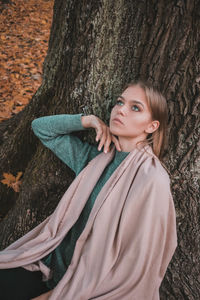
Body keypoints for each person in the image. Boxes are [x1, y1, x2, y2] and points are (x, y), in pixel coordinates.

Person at [0, 81, 177, 300]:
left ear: (151, 126)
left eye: (135, 107)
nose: (120, 109)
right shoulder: (95, 160)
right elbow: (41, 128)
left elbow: (135, 261)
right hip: (46, 267)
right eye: (120, 102)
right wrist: (88, 121)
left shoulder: (152, 179)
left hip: (84, 287)